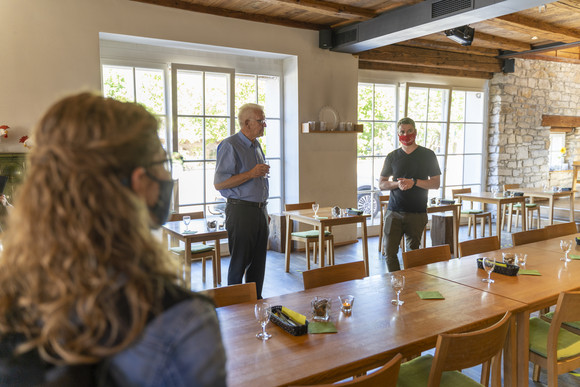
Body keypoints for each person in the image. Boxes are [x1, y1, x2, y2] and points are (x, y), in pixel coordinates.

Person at [0, 93, 227, 386]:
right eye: (162, 162)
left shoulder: (13, 289)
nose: (167, 174)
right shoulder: (182, 321)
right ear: (138, 181)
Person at [214, 103, 270, 299]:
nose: (264, 125)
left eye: (264, 120)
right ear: (246, 123)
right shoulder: (230, 145)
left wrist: (263, 210)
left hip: (259, 211)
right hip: (241, 211)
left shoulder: (256, 145)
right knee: (239, 262)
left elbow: (258, 181)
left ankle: (256, 302)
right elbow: (219, 183)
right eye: (260, 121)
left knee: (258, 262)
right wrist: (251, 173)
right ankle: (235, 304)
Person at [379, 117, 441, 272]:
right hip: (393, 212)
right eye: (402, 132)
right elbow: (382, 183)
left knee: (413, 254)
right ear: (398, 134)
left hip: (417, 212)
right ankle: (396, 283)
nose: (406, 135)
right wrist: (397, 184)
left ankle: (411, 287)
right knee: (390, 253)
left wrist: (414, 182)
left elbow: (435, 183)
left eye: (409, 131)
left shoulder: (428, 155)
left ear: (415, 132)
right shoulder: (392, 156)